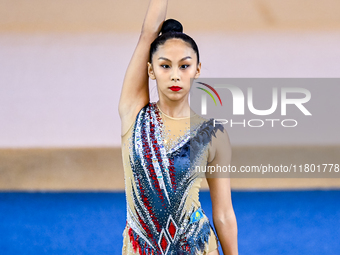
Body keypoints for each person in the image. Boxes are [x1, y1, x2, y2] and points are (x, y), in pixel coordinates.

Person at [118, 0, 238, 254]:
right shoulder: (134, 114)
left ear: (197, 69)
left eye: (184, 66)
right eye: (165, 66)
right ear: (150, 70)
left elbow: (224, 212)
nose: (175, 75)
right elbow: (147, 34)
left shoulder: (212, 133)